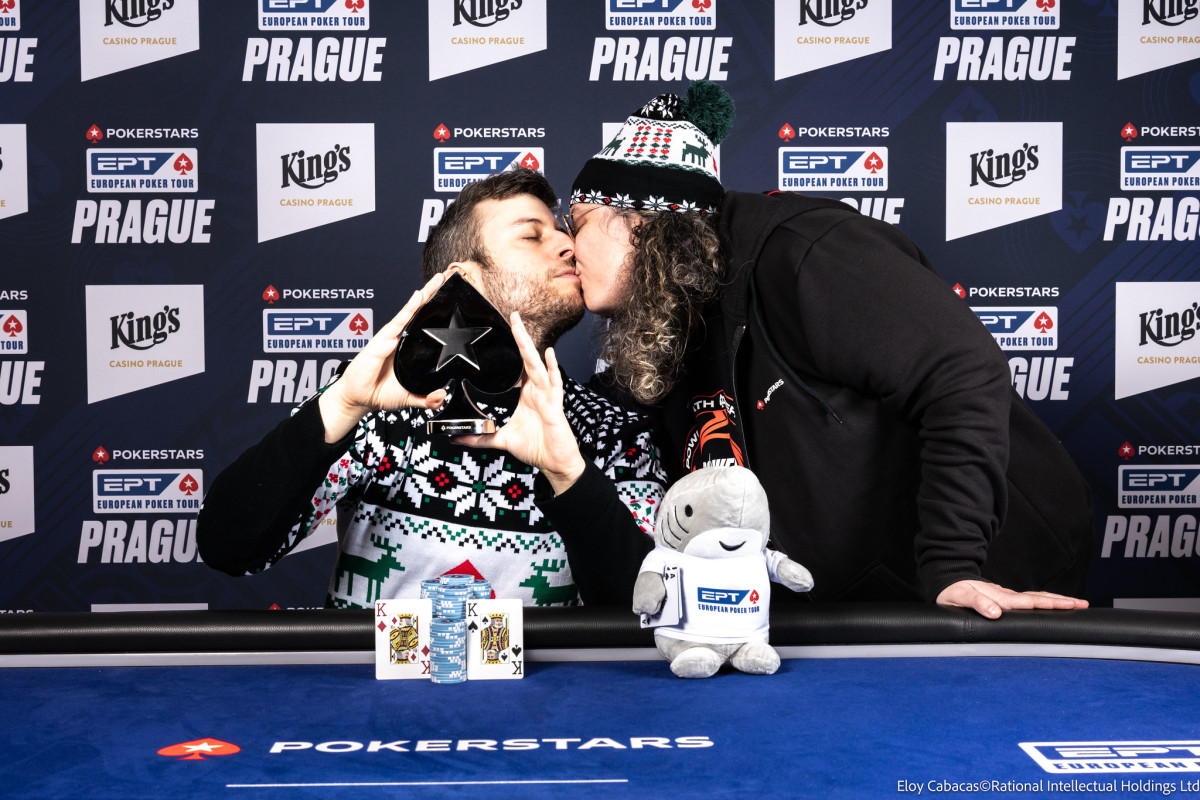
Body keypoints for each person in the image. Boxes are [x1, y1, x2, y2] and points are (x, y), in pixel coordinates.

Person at [564, 81, 1094, 619]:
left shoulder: (803, 253)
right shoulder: (674, 317)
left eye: (577, 223)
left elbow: (962, 373)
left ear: (638, 220)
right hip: (862, 613)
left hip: (993, 579)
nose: (567, 247)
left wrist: (954, 564)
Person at [197, 168, 665, 608]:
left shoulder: (610, 429)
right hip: (379, 673)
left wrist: (569, 476)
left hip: (542, 675)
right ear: (464, 279)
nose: (567, 244)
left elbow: (645, 611)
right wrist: (340, 404)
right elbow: (230, 550)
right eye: (531, 235)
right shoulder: (379, 412)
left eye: (563, 231)